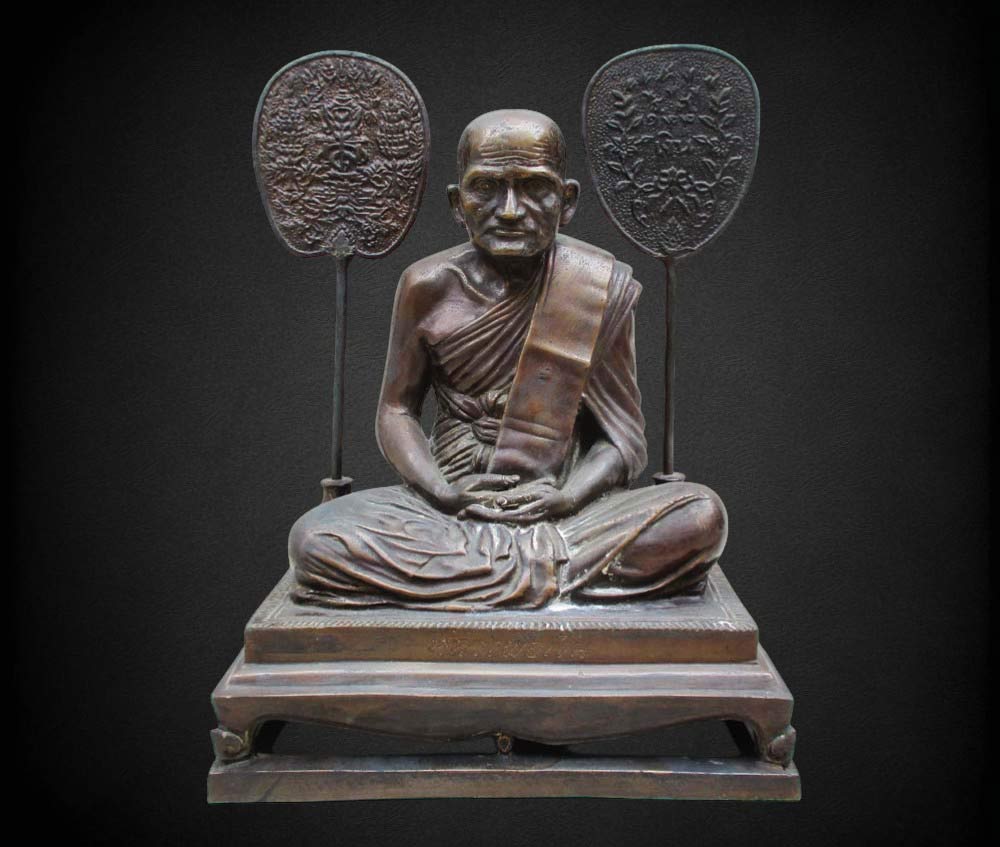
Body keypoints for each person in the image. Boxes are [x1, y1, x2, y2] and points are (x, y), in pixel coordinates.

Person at [289, 110, 727, 611]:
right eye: (486, 188)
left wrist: (567, 499)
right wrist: (441, 491)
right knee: (315, 539)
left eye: (535, 188)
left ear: (567, 201)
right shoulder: (426, 286)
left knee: (700, 516)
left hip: (563, 510)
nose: (511, 210)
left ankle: (496, 575)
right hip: (451, 508)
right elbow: (396, 410)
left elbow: (622, 440)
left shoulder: (596, 286)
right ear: (457, 204)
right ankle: (551, 576)